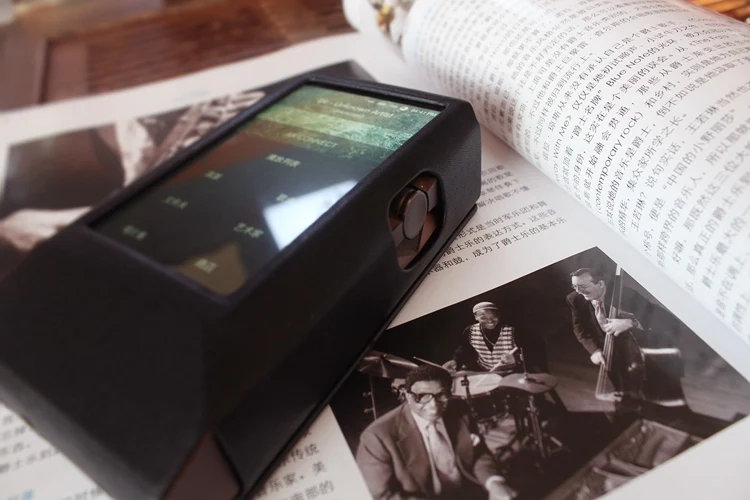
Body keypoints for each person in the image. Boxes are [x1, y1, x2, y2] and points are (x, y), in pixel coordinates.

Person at [356, 365, 516, 500]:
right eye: (422, 396)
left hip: (468, 491)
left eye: (441, 395)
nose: (433, 406)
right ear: (408, 396)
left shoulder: (459, 409)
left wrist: (494, 482)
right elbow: (385, 496)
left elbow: (478, 453)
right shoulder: (376, 437)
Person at [566, 267, 685, 404]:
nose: (578, 291)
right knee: (622, 397)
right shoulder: (574, 299)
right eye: (574, 286)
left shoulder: (626, 295)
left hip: (641, 354)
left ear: (601, 284)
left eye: (582, 286)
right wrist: (594, 350)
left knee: (656, 396)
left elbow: (669, 321)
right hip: (610, 355)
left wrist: (630, 322)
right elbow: (579, 328)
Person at [445, 302, 526, 374]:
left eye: (494, 316)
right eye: (483, 318)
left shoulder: (513, 330)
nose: (490, 321)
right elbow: (464, 349)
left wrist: (516, 359)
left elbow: (529, 351)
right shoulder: (470, 331)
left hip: (511, 372)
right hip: (484, 371)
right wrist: (455, 360)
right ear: (476, 317)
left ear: (498, 315)